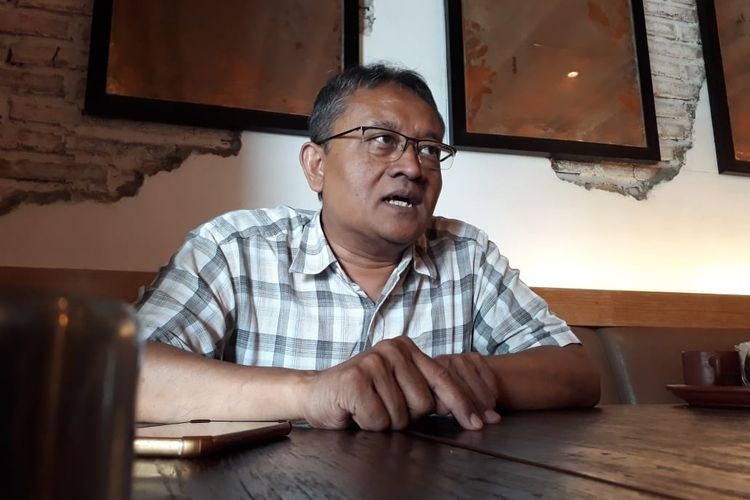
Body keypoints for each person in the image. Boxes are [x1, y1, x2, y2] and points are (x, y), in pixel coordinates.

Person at [135, 63, 599, 431]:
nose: (412, 168)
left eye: (429, 149)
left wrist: (467, 377)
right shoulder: (234, 248)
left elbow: (578, 373)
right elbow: (121, 373)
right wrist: (312, 393)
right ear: (316, 165)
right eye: (382, 140)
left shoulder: (467, 254)